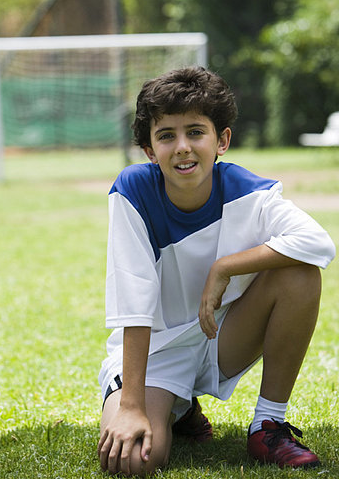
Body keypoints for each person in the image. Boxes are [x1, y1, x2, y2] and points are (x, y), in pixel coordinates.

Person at [97, 66, 336, 476]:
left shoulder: (247, 191)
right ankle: (178, 407)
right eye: (166, 135)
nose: (182, 147)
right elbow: (133, 300)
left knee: (299, 272)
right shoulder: (133, 190)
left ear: (221, 140)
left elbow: (318, 243)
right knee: (134, 463)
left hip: (221, 337)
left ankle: (268, 424)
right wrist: (132, 405)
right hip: (157, 353)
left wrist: (224, 267)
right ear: (150, 150)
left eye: (195, 132)